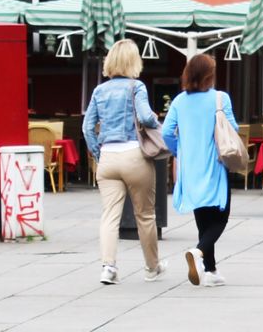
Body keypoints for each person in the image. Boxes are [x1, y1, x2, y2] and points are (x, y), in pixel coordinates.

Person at [82, 39, 164, 286]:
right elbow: (146, 117)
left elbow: (87, 128)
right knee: (145, 215)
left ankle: (108, 267)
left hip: (108, 157)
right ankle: (152, 267)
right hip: (133, 155)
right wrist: (157, 123)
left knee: (109, 215)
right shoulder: (136, 86)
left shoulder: (99, 90)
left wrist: (98, 153)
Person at [161, 51, 236, 287]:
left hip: (189, 167)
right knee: (221, 217)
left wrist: (179, 150)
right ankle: (199, 251)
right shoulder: (220, 99)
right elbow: (232, 129)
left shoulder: (179, 101)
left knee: (202, 218)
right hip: (214, 164)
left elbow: (166, 132)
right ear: (209, 76)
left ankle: (210, 270)